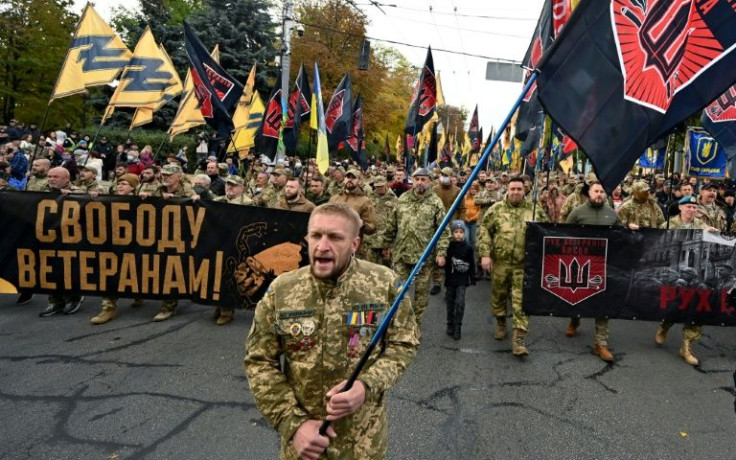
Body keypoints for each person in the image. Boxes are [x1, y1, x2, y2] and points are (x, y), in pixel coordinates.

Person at [244, 203, 419, 460]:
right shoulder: (281, 291)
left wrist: (366, 385)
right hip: (304, 447)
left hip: (364, 444)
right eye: (316, 235)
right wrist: (294, 424)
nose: (322, 246)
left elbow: (403, 344)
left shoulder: (385, 284)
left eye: (335, 237)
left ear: (355, 244)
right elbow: (259, 361)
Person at [478, 176, 548, 356]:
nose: (516, 192)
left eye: (519, 189)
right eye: (513, 189)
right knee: (499, 296)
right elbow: (484, 229)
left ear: (524, 190)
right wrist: (485, 254)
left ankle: (519, 341)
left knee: (521, 302)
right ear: (507, 190)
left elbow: (546, 233)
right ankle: (501, 323)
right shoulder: (496, 210)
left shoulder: (534, 211)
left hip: (523, 265)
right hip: (500, 262)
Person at [379, 168, 450, 328]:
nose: (419, 182)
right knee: (397, 291)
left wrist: (441, 253)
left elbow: (443, 230)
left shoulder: (435, 202)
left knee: (421, 293)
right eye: (417, 179)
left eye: (423, 179)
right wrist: (386, 244)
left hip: (424, 257)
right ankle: (397, 322)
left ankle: (415, 325)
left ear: (430, 182)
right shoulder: (403, 199)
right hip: (401, 255)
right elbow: (392, 224)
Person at [655, 195, 718, 366]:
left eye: (694, 207)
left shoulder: (700, 225)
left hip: (695, 276)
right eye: (689, 206)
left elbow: (711, 238)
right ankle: (664, 326)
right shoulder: (669, 224)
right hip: (674, 275)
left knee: (696, 309)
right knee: (675, 305)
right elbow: (655, 242)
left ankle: (686, 346)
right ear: (681, 208)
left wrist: (713, 232)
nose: (692, 210)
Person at [564, 181, 622, 362]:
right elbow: (565, 234)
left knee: (603, 302)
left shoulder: (612, 214)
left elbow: (621, 237)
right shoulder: (577, 212)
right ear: (589, 193)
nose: (599, 194)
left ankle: (601, 343)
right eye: (596, 191)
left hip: (603, 266)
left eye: (602, 192)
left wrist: (631, 229)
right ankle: (575, 319)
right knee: (578, 296)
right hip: (580, 266)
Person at [139, 164, 200, 321]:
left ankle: (168, 307)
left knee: (171, 270)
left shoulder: (186, 190)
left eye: (169, 175)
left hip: (178, 237)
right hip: (155, 235)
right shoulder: (155, 188)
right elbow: (141, 202)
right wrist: (144, 197)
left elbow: (197, 207)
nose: (165, 177)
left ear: (177, 177)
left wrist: (194, 200)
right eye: (164, 174)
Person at [90, 174, 145, 324]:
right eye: (119, 183)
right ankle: (108, 308)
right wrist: (92, 197)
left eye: (125, 184)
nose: (120, 186)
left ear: (133, 187)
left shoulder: (143, 199)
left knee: (137, 271)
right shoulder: (108, 199)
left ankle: (139, 294)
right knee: (110, 273)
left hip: (136, 245)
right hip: (113, 245)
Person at [38, 167, 84, 317]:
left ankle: (73, 298)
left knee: (69, 269)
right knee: (49, 269)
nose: (51, 179)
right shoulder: (39, 190)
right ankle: (55, 301)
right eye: (49, 176)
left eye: (55, 177)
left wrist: (72, 196)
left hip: (70, 237)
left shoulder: (79, 190)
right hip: (47, 236)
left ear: (66, 179)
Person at [328, 168, 377, 257]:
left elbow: (372, 227)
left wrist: (362, 225)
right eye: (348, 177)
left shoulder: (365, 201)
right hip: (333, 246)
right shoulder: (334, 199)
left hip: (353, 249)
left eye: (353, 178)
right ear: (344, 179)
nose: (350, 180)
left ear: (359, 181)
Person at [444, 220, 475, 340]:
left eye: (461, 232)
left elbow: (472, 263)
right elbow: (445, 263)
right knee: (450, 301)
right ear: (452, 233)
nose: (458, 234)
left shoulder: (468, 248)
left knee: (460, 302)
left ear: (464, 233)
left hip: (462, 279)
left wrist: (472, 277)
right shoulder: (448, 247)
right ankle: (450, 323)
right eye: (456, 232)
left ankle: (458, 326)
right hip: (451, 278)